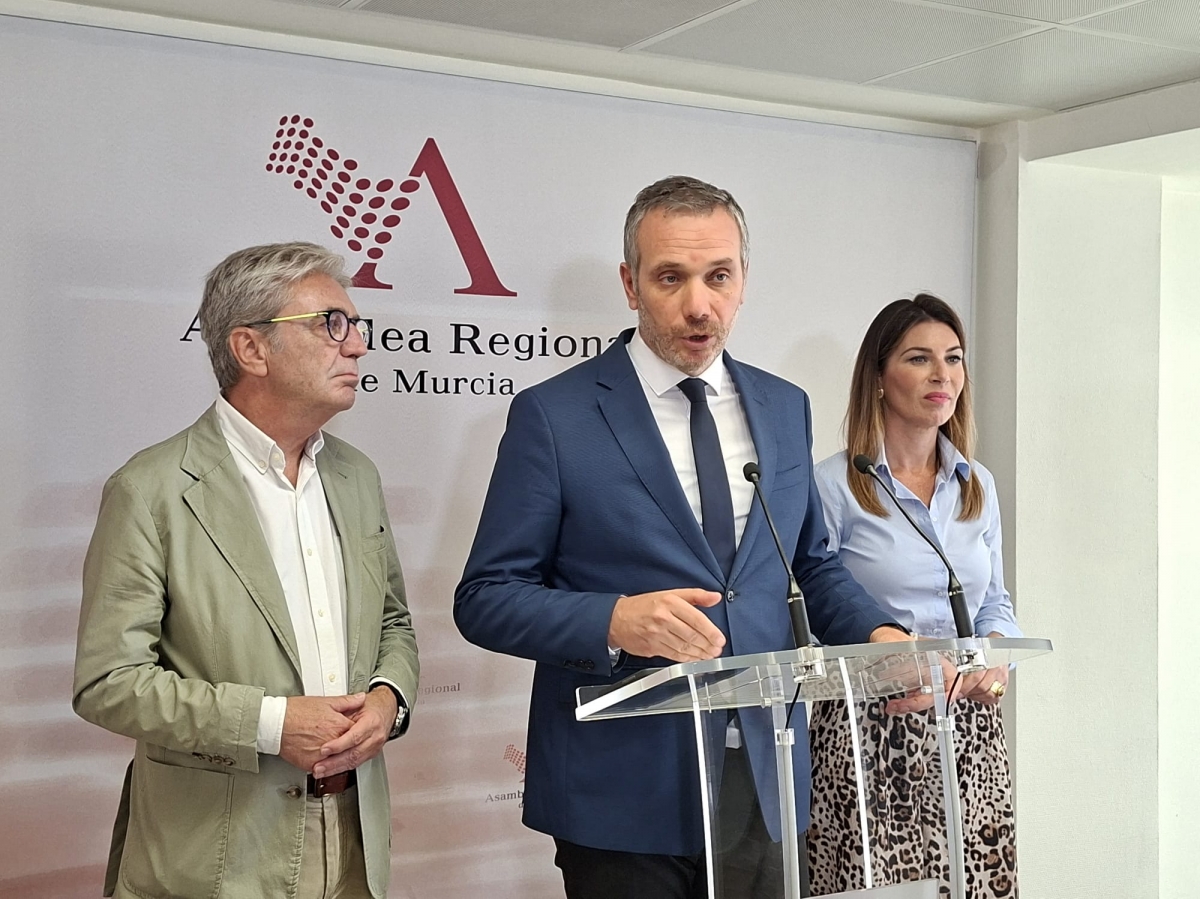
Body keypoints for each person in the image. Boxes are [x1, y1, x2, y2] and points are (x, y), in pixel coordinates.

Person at [454, 175, 909, 899]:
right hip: (621, 791)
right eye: (671, 277)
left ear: (743, 281)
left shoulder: (783, 406)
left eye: (718, 276)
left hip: (766, 772)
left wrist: (883, 637)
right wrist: (613, 618)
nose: (700, 304)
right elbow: (485, 597)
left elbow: (810, 566)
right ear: (631, 284)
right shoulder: (555, 415)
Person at [72, 242, 420, 899]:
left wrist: (388, 698)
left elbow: (394, 621)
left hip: (354, 849)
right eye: (331, 324)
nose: (359, 346)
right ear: (251, 350)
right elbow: (107, 683)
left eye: (355, 324)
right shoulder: (151, 489)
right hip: (216, 859)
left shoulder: (356, 477)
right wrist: (269, 723)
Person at [806, 294, 1021, 899]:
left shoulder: (978, 484)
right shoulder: (834, 485)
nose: (942, 375)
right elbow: (819, 605)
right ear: (878, 377)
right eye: (919, 358)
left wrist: (996, 654)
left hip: (971, 728)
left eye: (953, 359)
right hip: (869, 728)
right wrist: (892, 662)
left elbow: (994, 604)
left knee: (975, 885)